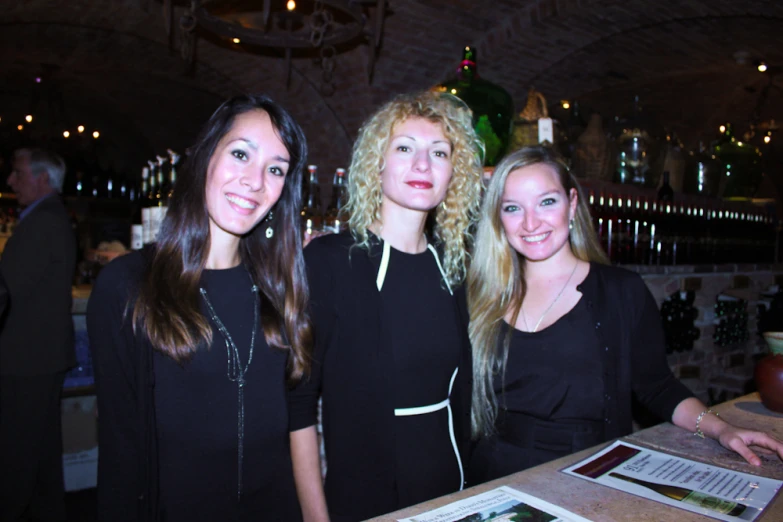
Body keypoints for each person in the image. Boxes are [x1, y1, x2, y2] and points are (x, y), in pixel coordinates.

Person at [467, 145, 783, 483]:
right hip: (492, 478)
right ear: (498, 218)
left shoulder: (620, 291)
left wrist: (722, 429)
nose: (531, 222)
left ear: (572, 204)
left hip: (585, 475)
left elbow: (657, 386)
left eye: (547, 201)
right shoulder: (481, 297)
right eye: (513, 208)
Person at [87, 94, 311, 521]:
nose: (255, 180)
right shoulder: (128, 285)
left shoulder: (284, 286)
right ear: (206, 156)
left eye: (276, 169)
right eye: (241, 153)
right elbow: (119, 449)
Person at [289, 91, 484, 522]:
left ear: (456, 173)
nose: (422, 165)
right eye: (404, 148)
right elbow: (299, 407)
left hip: (452, 497)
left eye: (439, 152)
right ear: (376, 165)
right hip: (365, 502)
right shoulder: (330, 262)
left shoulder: (453, 267)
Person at [0, 148, 77, 522]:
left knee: (17, 454)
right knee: (41, 454)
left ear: (42, 179)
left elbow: (7, 290)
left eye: (18, 173)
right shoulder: (49, 218)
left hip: (25, 357)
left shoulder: (42, 222)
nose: (11, 181)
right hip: (38, 356)